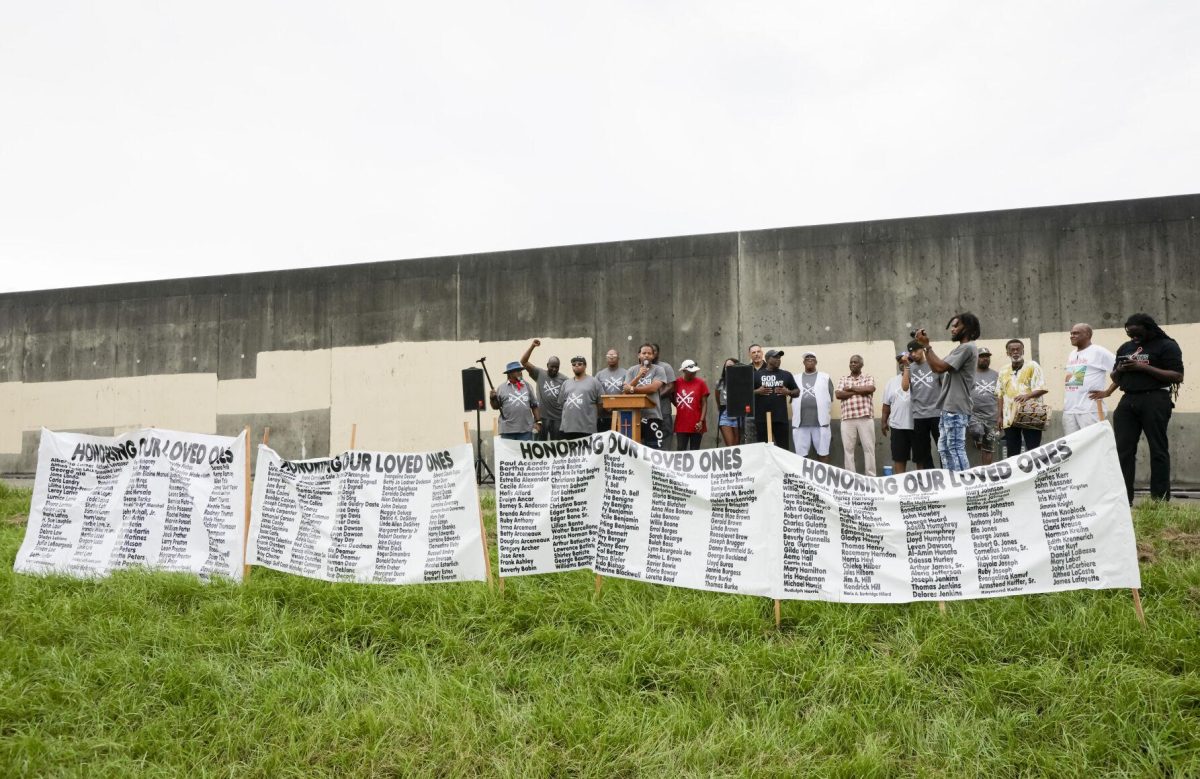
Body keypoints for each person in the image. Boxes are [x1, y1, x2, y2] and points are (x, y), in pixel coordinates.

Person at [1094, 314, 1184, 504]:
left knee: (1158, 449)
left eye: (1137, 334)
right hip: (1128, 400)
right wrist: (1120, 369)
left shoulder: (1167, 345)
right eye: (1130, 334)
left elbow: (1177, 376)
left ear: (1149, 328)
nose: (1133, 338)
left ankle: (1159, 500)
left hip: (1155, 398)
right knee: (1123, 450)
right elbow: (1115, 378)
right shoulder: (1126, 348)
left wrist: (1143, 367)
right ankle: (1124, 499)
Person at [914, 312, 980, 472]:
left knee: (956, 449)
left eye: (956, 325)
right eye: (952, 325)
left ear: (969, 328)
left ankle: (963, 486)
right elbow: (937, 367)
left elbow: (938, 367)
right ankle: (951, 484)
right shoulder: (959, 349)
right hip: (948, 408)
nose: (952, 329)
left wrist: (926, 346)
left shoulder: (967, 348)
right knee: (944, 449)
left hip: (957, 407)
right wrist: (925, 346)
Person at [1062, 323, 1116, 435]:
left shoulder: (1098, 351)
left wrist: (1108, 392)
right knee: (1074, 447)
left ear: (1087, 334)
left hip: (1090, 410)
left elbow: (1121, 370)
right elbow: (1075, 378)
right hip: (1070, 411)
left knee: (1094, 445)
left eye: (1076, 333)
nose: (1072, 336)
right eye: (1071, 333)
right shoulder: (1072, 354)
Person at [997, 339, 1047, 456]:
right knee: (1012, 450)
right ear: (1007, 353)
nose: (1015, 352)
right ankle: (1016, 474)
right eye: (1012, 350)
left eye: (1018, 349)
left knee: (1033, 449)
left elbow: (1042, 388)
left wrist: (1027, 396)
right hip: (1009, 416)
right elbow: (999, 394)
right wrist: (999, 416)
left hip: (1030, 413)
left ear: (1023, 351)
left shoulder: (1033, 366)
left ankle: (1035, 473)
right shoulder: (1003, 370)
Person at [623, 343, 671, 449]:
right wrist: (639, 376)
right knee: (633, 448)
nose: (646, 355)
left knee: (653, 448)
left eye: (649, 353)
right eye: (644, 353)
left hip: (652, 416)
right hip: (634, 416)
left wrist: (632, 389)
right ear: (639, 355)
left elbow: (653, 388)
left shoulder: (659, 370)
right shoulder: (631, 370)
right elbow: (625, 391)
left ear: (653, 356)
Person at [836, 354, 877, 475]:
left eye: (855, 362)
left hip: (865, 417)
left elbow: (870, 389)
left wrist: (851, 388)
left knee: (869, 449)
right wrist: (859, 391)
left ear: (861, 365)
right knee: (848, 449)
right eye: (851, 362)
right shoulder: (843, 378)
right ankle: (850, 477)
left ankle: (871, 477)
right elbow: (839, 395)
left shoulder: (868, 377)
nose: (853, 364)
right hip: (847, 419)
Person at [791, 352, 835, 462]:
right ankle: (803, 479)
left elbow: (830, 397)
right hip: (800, 423)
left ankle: (824, 478)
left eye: (812, 358)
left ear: (816, 362)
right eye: (807, 358)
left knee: (823, 452)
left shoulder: (825, 377)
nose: (810, 359)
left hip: (821, 422)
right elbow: (792, 397)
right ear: (803, 362)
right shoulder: (795, 378)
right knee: (800, 455)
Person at [521, 339, 567, 441]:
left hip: (557, 418)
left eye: (557, 367)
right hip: (542, 417)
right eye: (552, 367)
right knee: (540, 444)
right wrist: (532, 346)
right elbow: (523, 362)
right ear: (547, 365)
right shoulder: (539, 373)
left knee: (557, 445)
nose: (554, 369)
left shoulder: (564, 379)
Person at [907, 340, 942, 470]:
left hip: (937, 413)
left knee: (942, 447)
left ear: (922, 349)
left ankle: (946, 474)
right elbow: (906, 387)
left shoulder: (933, 364)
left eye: (916, 351)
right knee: (923, 450)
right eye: (911, 352)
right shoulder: (910, 368)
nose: (913, 354)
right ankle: (931, 476)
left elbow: (944, 386)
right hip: (919, 415)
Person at [754, 350, 798, 450]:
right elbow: (745, 393)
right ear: (768, 359)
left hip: (780, 418)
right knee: (763, 448)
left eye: (779, 358)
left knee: (783, 448)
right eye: (776, 358)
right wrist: (758, 391)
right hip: (762, 419)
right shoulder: (756, 375)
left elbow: (797, 392)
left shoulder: (786, 375)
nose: (779, 360)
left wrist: (788, 392)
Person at [490, 361, 540, 441]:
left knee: (523, 454)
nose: (520, 373)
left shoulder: (527, 386)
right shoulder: (501, 388)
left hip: (525, 430)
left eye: (520, 371)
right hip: (507, 430)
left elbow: (534, 405)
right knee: (509, 454)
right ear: (510, 374)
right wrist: (492, 399)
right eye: (517, 371)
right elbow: (496, 406)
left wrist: (538, 422)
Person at [881, 352, 913, 474]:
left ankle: (921, 486)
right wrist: (883, 422)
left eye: (906, 360)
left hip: (917, 425)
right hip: (897, 426)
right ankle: (901, 486)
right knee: (899, 458)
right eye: (900, 360)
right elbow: (886, 405)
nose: (903, 362)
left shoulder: (918, 378)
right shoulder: (891, 382)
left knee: (921, 457)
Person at [968, 347, 1000, 465]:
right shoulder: (970, 374)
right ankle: (978, 440)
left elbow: (1001, 395)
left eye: (987, 356)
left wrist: (1000, 415)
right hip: (974, 415)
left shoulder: (996, 375)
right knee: (977, 431)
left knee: (989, 447)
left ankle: (986, 472)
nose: (985, 358)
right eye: (982, 356)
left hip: (991, 416)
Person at [559, 356, 604, 440]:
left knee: (587, 452)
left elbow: (601, 404)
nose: (576, 366)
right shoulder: (566, 383)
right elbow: (562, 403)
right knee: (569, 453)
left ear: (585, 366)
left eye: (579, 364)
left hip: (587, 429)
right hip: (567, 428)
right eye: (574, 364)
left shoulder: (594, 382)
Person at [672, 359, 710, 450]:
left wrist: (701, 421)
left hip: (697, 423)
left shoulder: (701, 383)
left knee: (695, 450)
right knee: (681, 449)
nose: (694, 373)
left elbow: (704, 403)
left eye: (695, 371)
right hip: (681, 423)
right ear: (684, 370)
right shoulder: (676, 383)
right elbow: (671, 397)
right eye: (691, 371)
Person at [651, 343, 677, 449]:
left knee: (665, 438)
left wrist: (656, 397)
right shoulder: (642, 369)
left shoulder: (665, 367)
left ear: (658, 353)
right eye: (647, 352)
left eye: (654, 351)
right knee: (650, 440)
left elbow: (671, 386)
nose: (651, 353)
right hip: (647, 413)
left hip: (663, 410)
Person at [594, 349, 626, 433]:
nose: (611, 358)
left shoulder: (626, 373)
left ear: (618, 358)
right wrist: (606, 405)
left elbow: (627, 391)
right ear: (606, 358)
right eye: (609, 356)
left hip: (621, 414)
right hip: (603, 415)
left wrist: (615, 404)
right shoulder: (599, 375)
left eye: (614, 356)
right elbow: (596, 392)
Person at [715, 358, 743, 446]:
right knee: (730, 446)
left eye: (731, 366)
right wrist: (721, 408)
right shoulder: (720, 382)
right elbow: (717, 398)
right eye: (727, 367)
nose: (729, 368)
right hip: (725, 414)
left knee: (737, 444)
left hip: (738, 414)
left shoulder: (742, 381)